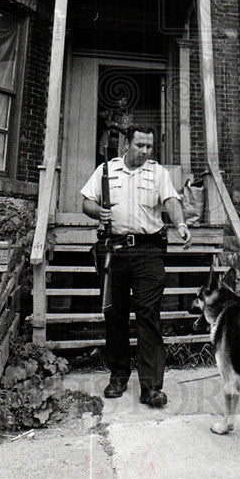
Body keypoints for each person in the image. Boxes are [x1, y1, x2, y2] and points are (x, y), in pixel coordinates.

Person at [81, 125, 192, 407]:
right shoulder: (106, 170)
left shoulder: (158, 173)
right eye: (140, 145)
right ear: (126, 144)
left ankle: (151, 387)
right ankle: (118, 376)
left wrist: (180, 224)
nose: (145, 151)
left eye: (149, 147)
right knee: (115, 316)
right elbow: (86, 202)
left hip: (148, 252)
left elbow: (171, 201)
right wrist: (99, 211)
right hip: (114, 251)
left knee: (148, 315)